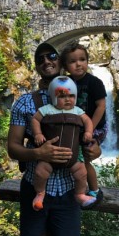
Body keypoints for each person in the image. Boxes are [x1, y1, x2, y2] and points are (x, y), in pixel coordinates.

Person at [7, 42, 101, 236]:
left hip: (69, 188)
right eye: (40, 59)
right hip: (36, 185)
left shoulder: (80, 97)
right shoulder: (24, 103)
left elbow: (92, 136)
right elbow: (13, 148)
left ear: (61, 63)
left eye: (52, 57)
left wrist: (94, 148)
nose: (47, 61)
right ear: (36, 67)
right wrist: (40, 154)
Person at [31, 75, 97, 211]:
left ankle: (80, 194)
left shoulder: (77, 111)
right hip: (49, 157)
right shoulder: (47, 109)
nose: (68, 99)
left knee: (81, 173)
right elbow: (35, 120)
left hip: (72, 157)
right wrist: (38, 133)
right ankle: (40, 194)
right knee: (40, 172)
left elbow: (88, 121)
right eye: (62, 97)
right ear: (54, 98)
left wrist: (88, 132)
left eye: (71, 96)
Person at [60, 41, 107, 202]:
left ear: (87, 61)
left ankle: (94, 190)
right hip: (76, 128)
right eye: (73, 61)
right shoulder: (65, 82)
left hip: (95, 127)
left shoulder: (95, 82)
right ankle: (78, 187)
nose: (78, 64)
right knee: (75, 158)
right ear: (65, 66)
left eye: (82, 60)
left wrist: (90, 128)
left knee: (84, 159)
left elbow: (101, 106)